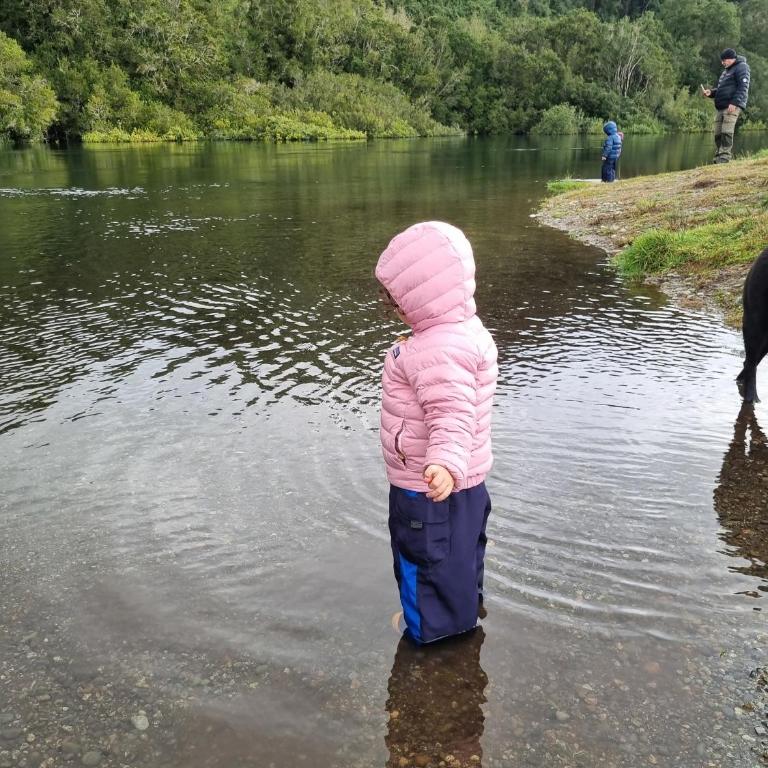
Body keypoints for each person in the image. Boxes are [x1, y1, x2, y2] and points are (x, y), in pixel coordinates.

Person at [375, 221, 498, 645]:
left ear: (423, 297)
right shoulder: (461, 331)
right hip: (468, 484)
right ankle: (465, 612)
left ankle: (428, 633)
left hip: (427, 487)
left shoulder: (438, 350)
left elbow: (452, 413)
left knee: (422, 560)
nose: (393, 308)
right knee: (459, 555)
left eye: (397, 300)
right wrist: (417, 339)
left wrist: (443, 463)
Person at [702, 48, 751, 164]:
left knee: (726, 132)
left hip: (732, 105)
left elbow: (743, 87)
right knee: (718, 133)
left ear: (732, 59)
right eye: (722, 60)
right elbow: (722, 89)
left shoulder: (742, 67)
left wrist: (734, 103)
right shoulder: (726, 71)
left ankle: (724, 158)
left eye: (724, 60)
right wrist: (711, 93)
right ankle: (718, 157)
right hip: (721, 106)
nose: (722, 62)